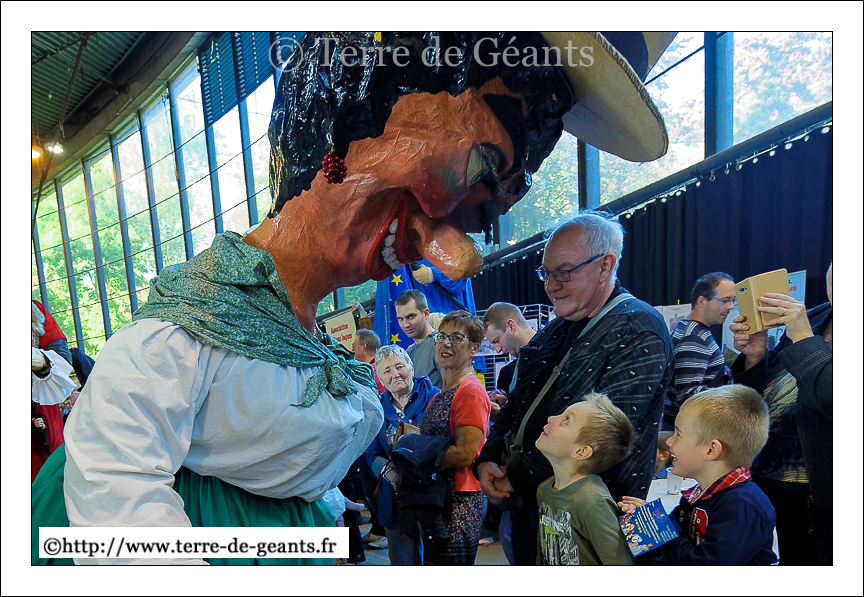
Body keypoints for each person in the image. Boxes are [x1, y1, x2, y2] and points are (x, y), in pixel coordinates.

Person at [32, 31, 673, 565]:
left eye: (479, 216)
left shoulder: (308, 342)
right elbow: (117, 501)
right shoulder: (180, 335)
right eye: (468, 175)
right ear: (344, 127)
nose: (453, 255)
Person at [475, 212, 674, 565]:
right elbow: (519, 401)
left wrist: (514, 477)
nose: (551, 285)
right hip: (535, 503)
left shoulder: (639, 327)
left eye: (564, 272)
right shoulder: (558, 326)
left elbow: (599, 435)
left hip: (588, 519)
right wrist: (489, 456)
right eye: (546, 273)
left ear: (605, 265)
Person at [729, 262, 833, 565]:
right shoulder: (815, 316)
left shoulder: (803, 325)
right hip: (767, 476)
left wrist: (804, 337)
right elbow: (761, 395)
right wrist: (756, 357)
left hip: (820, 490)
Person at [619, 385, 778, 565]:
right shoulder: (701, 492)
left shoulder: (743, 506)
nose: (669, 441)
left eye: (678, 434)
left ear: (711, 450)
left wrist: (660, 527)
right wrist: (645, 524)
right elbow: (674, 540)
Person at [415, 310, 490, 565]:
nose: (446, 344)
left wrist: (414, 452)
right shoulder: (441, 393)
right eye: (442, 336)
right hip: (437, 500)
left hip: (457, 505)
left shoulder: (470, 391)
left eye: (457, 338)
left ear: (474, 348)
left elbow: (466, 454)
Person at [535, 392, 635, 565]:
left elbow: (619, 563)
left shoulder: (593, 501)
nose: (551, 418)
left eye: (566, 420)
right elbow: (544, 550)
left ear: (581, 451)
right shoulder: (544, 489)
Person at [365, 345, 439, 565]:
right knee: (403, 561)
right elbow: (371, 454)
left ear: (411, 367)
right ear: (380, 378)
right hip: (395, 498)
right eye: (387, 371)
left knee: (438, 560)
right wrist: (396, 479)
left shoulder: (435, 397)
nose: (395, 374)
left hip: (433, 494)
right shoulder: (377, 409)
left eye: (399, 366)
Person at [664, 272, 735, 428]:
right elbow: (687, 397)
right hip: (690, 429)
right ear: (702, 301)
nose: (730, 306)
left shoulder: (691, 331)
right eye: (725, 300)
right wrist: (731, 398)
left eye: (733, 300)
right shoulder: (693, 337)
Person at [396, 289, 442, 388]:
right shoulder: (409, 352)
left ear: (426, 313)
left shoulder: (441, 344)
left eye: (411, 316)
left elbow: (456, 388)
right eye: (400, 319)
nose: (405, 324)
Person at [352, 328, 385, 393]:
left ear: (364, 347)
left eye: (354, 346)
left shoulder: (371, 371)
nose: (352, 350)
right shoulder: (383, 363)